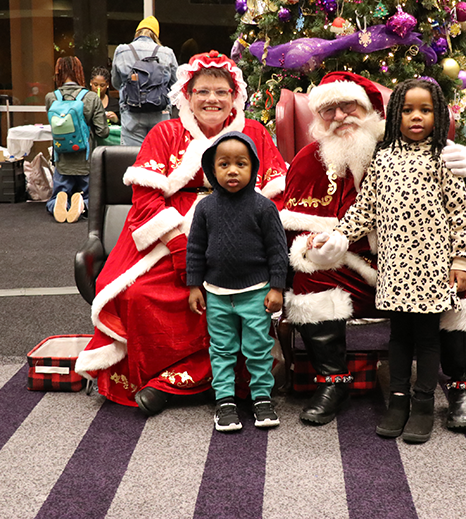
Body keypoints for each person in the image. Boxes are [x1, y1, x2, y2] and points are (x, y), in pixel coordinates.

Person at [74, 51, 287, 416]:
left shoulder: (255, 133)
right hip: (165, 239)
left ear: (235, 95)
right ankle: (159, 379)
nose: (212, 100)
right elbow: (145, 198)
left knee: (234, 297)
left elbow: (275, 197)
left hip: (239, 242)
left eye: (222, 91)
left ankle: (196, 384)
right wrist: (177, 245)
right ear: (186, 95)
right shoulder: (164, 133)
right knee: (140, 295)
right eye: (202, 91)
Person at [281, 72, 466, 429]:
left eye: (348, 106)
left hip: (424, 261)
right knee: (308, 282)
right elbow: (303, 224)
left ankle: (462, 387)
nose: (340, 116)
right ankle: (333, 382)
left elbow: (459, 203)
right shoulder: (308, 160)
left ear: (371, 111)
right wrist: (319, 247)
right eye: (329, 109)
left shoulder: (400, 143)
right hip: (350, 267)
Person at [187, 131, 288, 432]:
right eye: (224, 164)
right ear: (212, 170)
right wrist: (194, 285)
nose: (232, 170)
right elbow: (194, 249)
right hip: (216, 294)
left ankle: (261, 399)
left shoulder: (263, 207)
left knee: (258, 348)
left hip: (255, 293)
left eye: (241, 164)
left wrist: (277, 287)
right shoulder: (204, 208)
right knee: (221, 350)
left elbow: (277, 250)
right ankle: (226, 402)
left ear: (253, 168)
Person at [44, 56, 109, 223]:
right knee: (94, 198)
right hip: (85, 160)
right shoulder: (91, 98)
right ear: (79, 72)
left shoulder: (52, 97)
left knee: (54, 197)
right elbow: (103, 132)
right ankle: (83, 204)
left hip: (62, 159)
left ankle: (60, 200)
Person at [110, 16, 178, 146]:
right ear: (156, 35)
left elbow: (116, 83)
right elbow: (175, 86)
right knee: (158, 159)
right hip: (160, 115)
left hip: (131, 114)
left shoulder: (122, 50)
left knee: (133, 159)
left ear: (137, 32)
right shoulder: (167, 53)